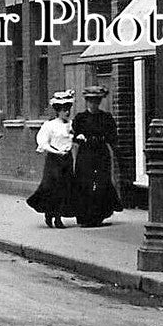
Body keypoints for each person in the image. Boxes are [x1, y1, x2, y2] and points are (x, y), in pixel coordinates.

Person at [72, 85, 123, 227]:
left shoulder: (106, 117)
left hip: (101, 152)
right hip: (86, 153)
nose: (94, 104)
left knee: (101, 181)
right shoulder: (80, 118)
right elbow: (74, 135)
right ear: (87, 102)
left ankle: (98, 215)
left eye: (96, 101)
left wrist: (105, 140)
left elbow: (112, 135)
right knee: (85, 182)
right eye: (91, 101)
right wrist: (79, 138)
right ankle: (84, 216)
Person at [27, 91, 76, 228]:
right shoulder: (50, 125)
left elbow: (76, 139)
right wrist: (56, 151)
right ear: (57, 111)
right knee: (53, 188)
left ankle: (58, 217)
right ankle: (50, 214)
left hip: (67, 159)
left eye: (68, 109)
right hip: (54, 160)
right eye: (63, 109)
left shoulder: (71, 125)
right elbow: (43, 143)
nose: (66, 112)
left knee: (65, 188)